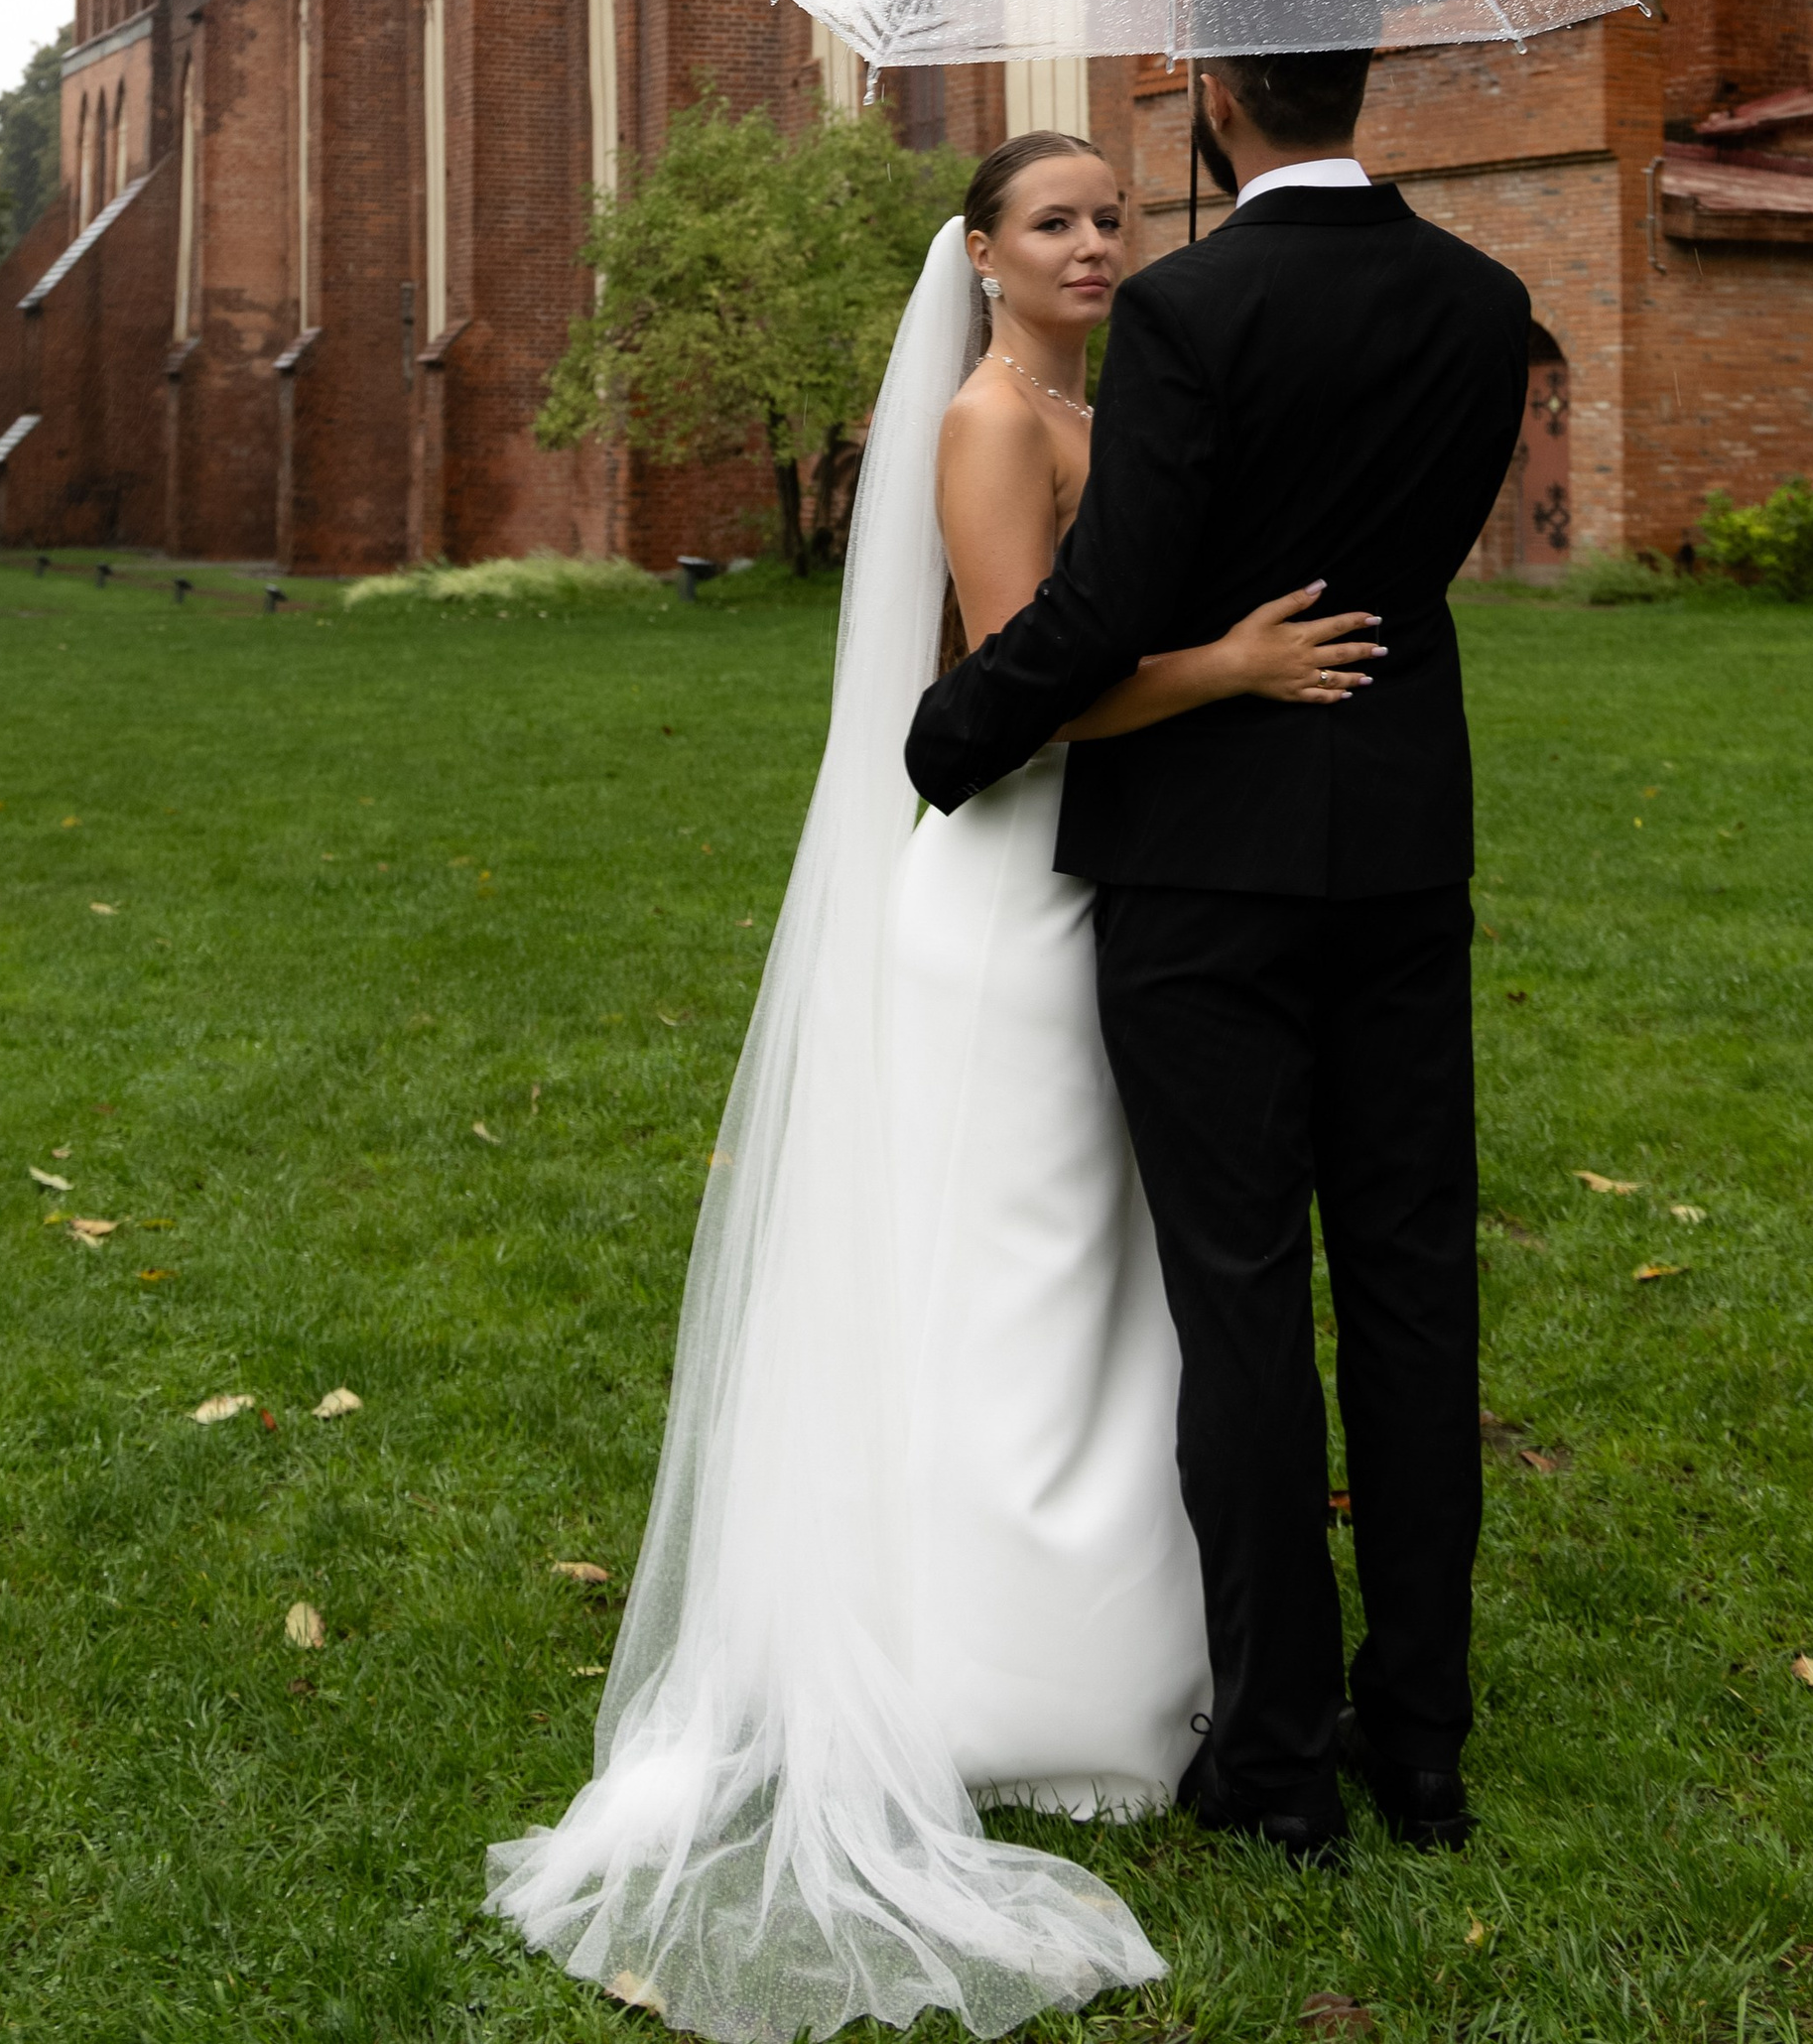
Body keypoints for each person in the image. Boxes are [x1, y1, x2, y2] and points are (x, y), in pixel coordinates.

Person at [488, 134, 1373, 2044]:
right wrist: (1229, 662)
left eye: (1114, 215)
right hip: (1009, 899)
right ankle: (981, 1680)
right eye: (1052, 219)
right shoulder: (992, 420)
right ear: (979, 253)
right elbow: (1032, 671)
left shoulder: (1102, 394)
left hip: (1101, 886)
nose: (1092, 243)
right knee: (1016, 1275)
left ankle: (1109, 1650)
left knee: (1090, 1285)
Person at [907, 50, 1530, 1870]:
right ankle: (1424, 1742)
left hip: (1204, 876)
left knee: (1242, 1296)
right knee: (1414, 1284)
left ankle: (1279, 1752)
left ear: (1215, 112)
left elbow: (1107, 602)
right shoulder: (1486, 301)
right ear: (1359, 84)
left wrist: (954, 734)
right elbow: (1402, 558)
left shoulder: (1188, 309)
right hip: (1406, 842)